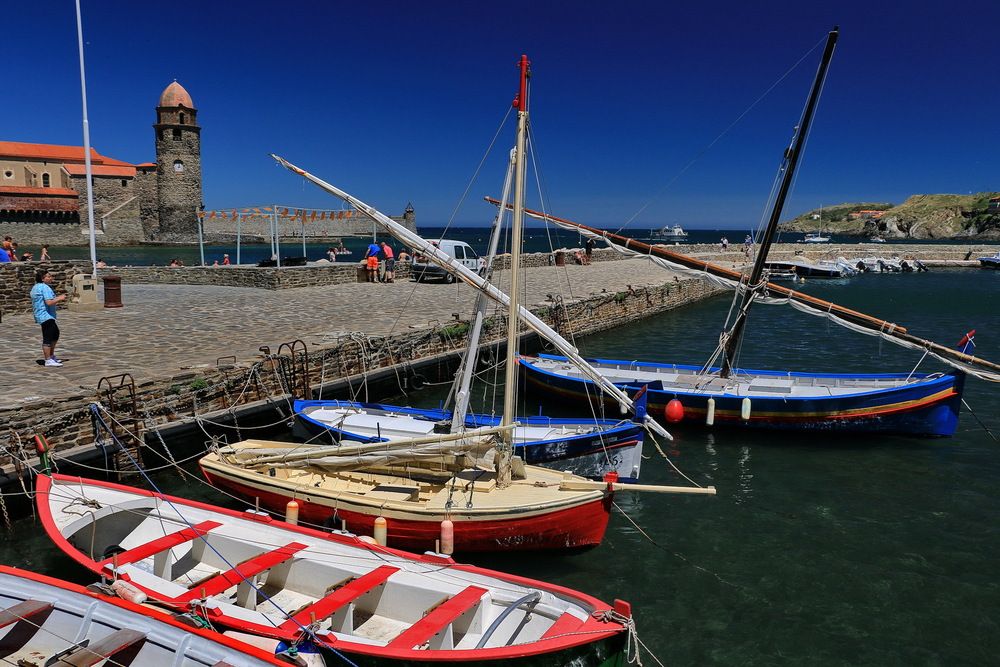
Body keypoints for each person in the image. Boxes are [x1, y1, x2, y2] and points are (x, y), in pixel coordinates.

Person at [31, 269, 66, 367]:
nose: (51, 278)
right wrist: (60, 298)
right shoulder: (44, 287)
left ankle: (51, 356)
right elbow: (49, 302)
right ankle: (48, 360)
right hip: (45, 315)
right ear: (43, 278)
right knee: (48, 337)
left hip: (43, 315)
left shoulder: (36, 287)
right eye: (48, 276)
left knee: (55, 334)